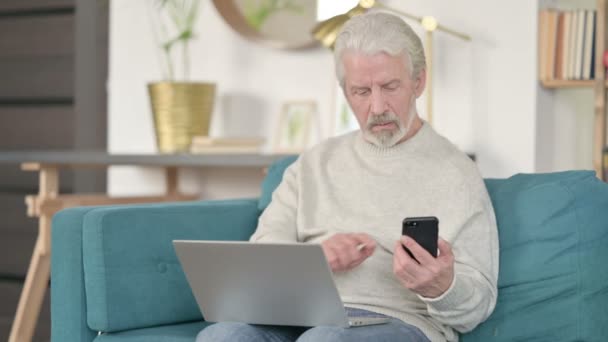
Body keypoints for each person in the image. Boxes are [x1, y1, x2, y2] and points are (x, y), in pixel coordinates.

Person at [196, 11, 498, 342]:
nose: (378, 106)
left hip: (397, 322)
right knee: (222, 336)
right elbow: (264, 253)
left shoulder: (456, 174)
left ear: (419, 81)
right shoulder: (312, 164)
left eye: (390, 86)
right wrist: (316, 259)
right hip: (299, 314)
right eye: (362, 91)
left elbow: (478, 305)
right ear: (345, 92)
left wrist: (443, 287)